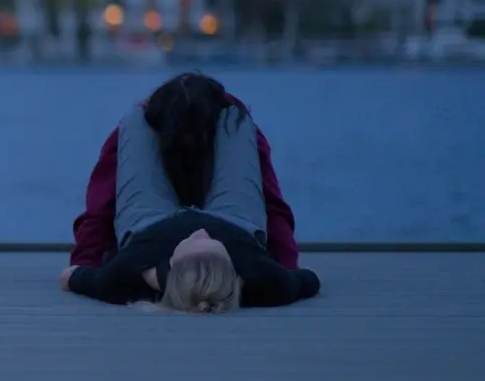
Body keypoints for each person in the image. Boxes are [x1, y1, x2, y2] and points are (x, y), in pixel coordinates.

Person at [59, 73, 320, 312]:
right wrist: (285, 268)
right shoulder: (263, 278)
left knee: (136, 122)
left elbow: (82, 258)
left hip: (146, 226)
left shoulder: (126, 276)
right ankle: (208, 108)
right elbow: (304, 274)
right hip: (237, 226)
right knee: (236, 121)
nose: (200, 233)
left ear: (171, 267)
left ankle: (172, 110)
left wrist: (85, 263)